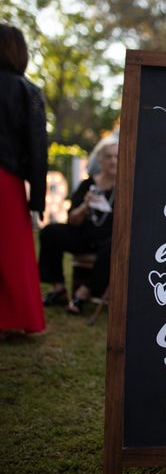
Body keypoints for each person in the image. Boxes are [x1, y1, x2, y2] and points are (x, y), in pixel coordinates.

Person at [0, 24, 48, 338]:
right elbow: (36, 147)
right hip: (5, 179)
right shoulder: (25, 90)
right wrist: (37, 198)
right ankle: (10, 320)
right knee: (10, 253)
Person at [39, 136, 118, 314]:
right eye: (108, 156)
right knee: (50, 232)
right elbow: (72, 219)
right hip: (84, 236)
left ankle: (84, 293)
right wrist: (85, 206)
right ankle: (58, 288)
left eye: (117, 156)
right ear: (100, 160)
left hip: (107, 241)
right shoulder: (88, 184)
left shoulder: (126, 186)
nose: (113, 161)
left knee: (115, 246)